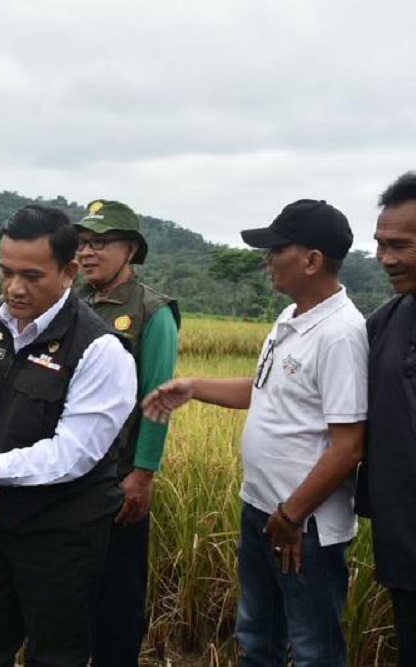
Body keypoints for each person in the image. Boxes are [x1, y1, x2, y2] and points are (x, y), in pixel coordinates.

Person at [143, 199, 367, 666]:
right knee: (257, 636)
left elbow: (349, 445)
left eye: (277, 249)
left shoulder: (342, 334)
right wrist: (194, 387)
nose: (267, 260)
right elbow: (266, 391)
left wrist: (292, 515)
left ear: (312, 260)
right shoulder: (289, 319)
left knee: (313, 649)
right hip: (263, 509)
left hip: (303, 528)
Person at [0, 205, 137, 666]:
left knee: (56, 654)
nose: (14, 288)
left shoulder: (100, 349)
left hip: (63, 534)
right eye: (6, 272)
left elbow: (73, 454)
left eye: (31, 275)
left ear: (67, 272)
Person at [74, 200, 180, 665]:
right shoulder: (74, 304)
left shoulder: (151, 311)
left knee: (117, 598)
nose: (87, 253)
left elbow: (159, 399)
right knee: (72, 597)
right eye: (82, 243)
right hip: (70, 476)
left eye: (100, 243)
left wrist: (143, 474)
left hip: (119, 480)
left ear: (131, 248)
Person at [360, 171, 416, 665]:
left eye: (401, 245)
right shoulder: (385, 322)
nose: (386, 260)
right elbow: (315, 392)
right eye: (381, 245)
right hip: (405, 551)